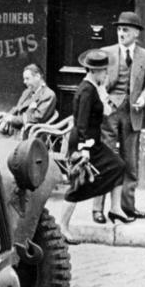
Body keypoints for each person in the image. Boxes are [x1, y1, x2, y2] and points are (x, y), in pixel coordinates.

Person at [58, 50, 131, 243]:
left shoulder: (93, 88)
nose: (106, 74)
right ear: (94, 71)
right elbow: (81, 123)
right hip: (85, 144)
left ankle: (115, 209)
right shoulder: (86, 91)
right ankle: (62, 226)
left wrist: (103, 94)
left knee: (118, 165)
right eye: (104, 71)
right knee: (78, 185)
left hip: (93, 142)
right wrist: (84, 151)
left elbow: (105, 113)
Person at [90, 11, 145, 222]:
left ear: (136, 33)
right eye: (119, 29)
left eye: (125, 29)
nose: (121, 33)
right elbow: (94, 81)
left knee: (130, 162)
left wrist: (143, 99)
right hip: (109, 114)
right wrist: (104, 100)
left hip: (132, 114)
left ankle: (127, 207)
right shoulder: (105, 52)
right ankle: (98, 209)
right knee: (105, 160)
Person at [0, 64, 57, 136]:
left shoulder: (48, 95)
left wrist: (12, 119)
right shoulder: (27, 92)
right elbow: (17, 108)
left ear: (37, 76)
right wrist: (5, 119)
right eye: (24, 79)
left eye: (27, 78)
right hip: (16, 132)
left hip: (32, 136)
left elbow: (36, 119)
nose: (24, 82)